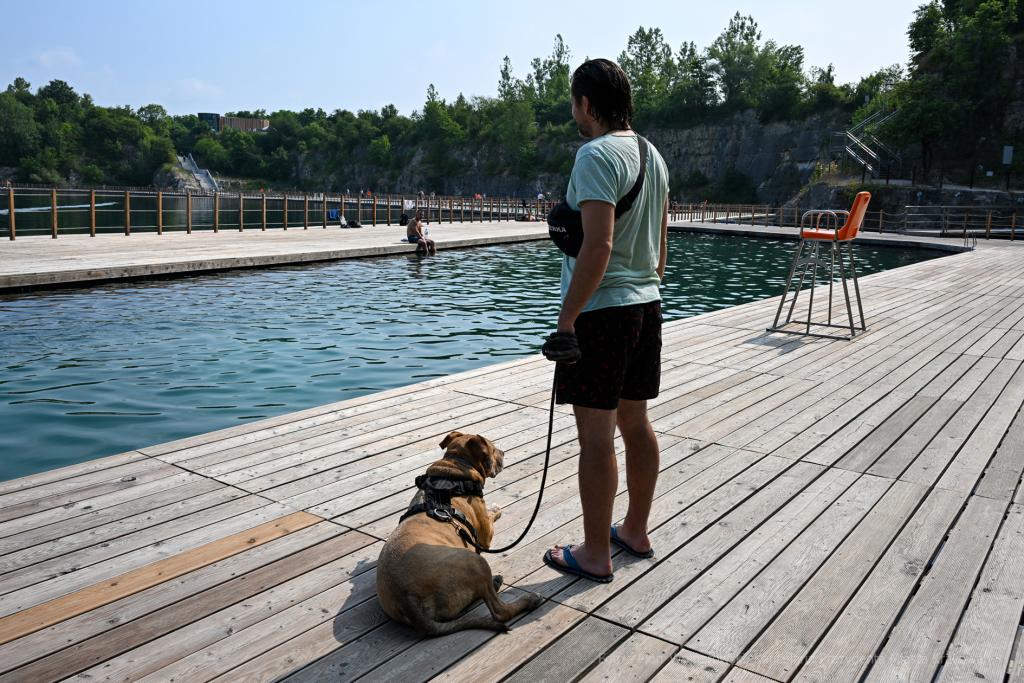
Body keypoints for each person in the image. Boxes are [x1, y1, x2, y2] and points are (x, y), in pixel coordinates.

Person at [541, 58, 669, 583]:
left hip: (603, 315)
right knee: (635, 423)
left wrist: (567, 322)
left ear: (586, 104)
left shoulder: (594, 155)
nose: (575, 112)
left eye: (574, 103)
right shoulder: (653, 155)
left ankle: (595, 553)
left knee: (596, 438)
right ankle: (634, 529)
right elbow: (660, 247)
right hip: (647, 306)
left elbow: (598, 245)